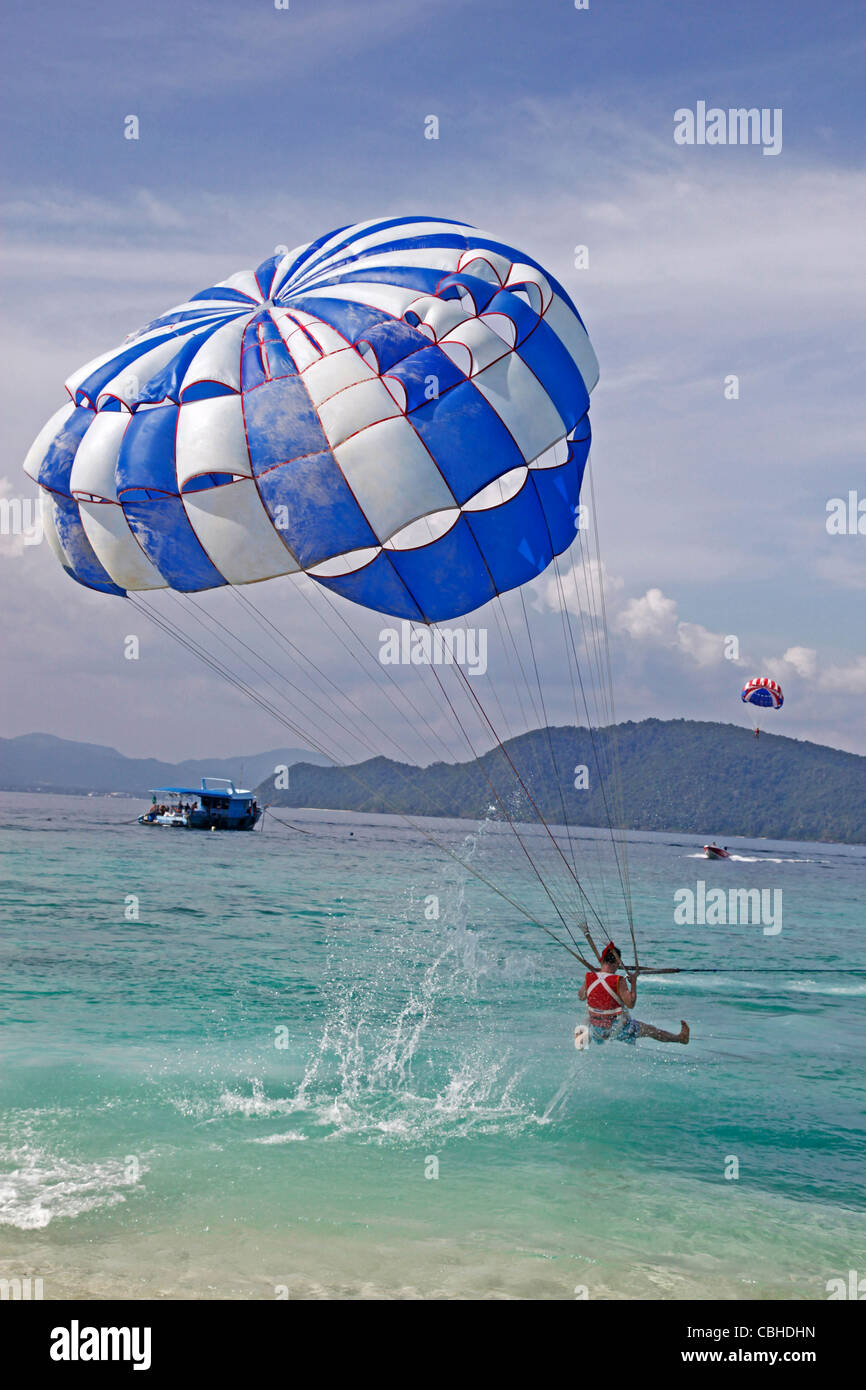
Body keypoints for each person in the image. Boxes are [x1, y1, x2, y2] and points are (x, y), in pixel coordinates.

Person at [578, 942, 689, 1045]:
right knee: (652, 1030)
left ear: (601, 960)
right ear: (617, 963)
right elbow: (631, 1004)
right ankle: (680, 1038)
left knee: (589, 1026)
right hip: (617, 1029)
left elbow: (581, 996)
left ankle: (584, 1038)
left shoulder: (590, 977)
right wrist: (634, 983)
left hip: (595, 1027)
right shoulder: (618, 980)